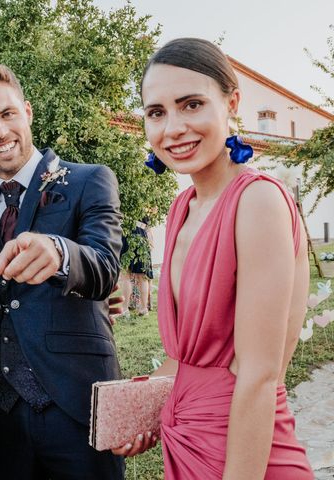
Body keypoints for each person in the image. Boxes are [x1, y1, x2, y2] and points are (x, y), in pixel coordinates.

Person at [114, 38, 313, 479]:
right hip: (186, 442)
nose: (173, 128)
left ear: (232, 103)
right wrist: (143, 404)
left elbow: (259, 375)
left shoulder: (257, 201)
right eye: (156, 112)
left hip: (247, 454)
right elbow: (190, 358)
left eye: (191, 104)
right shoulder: (182, 207)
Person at [0, 63, 126, 480]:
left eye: (7, 114)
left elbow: (104, 267)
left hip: (77, 403)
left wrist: (62, 252)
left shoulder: (89, 181)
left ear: (27, 112)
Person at [127, 213, 154, 315]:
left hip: (133, 233)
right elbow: (148, 224)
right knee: (142, 275)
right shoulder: (145, 204)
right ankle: (143, 307)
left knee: (129, 274)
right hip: (142, 233)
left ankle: (137, 307)